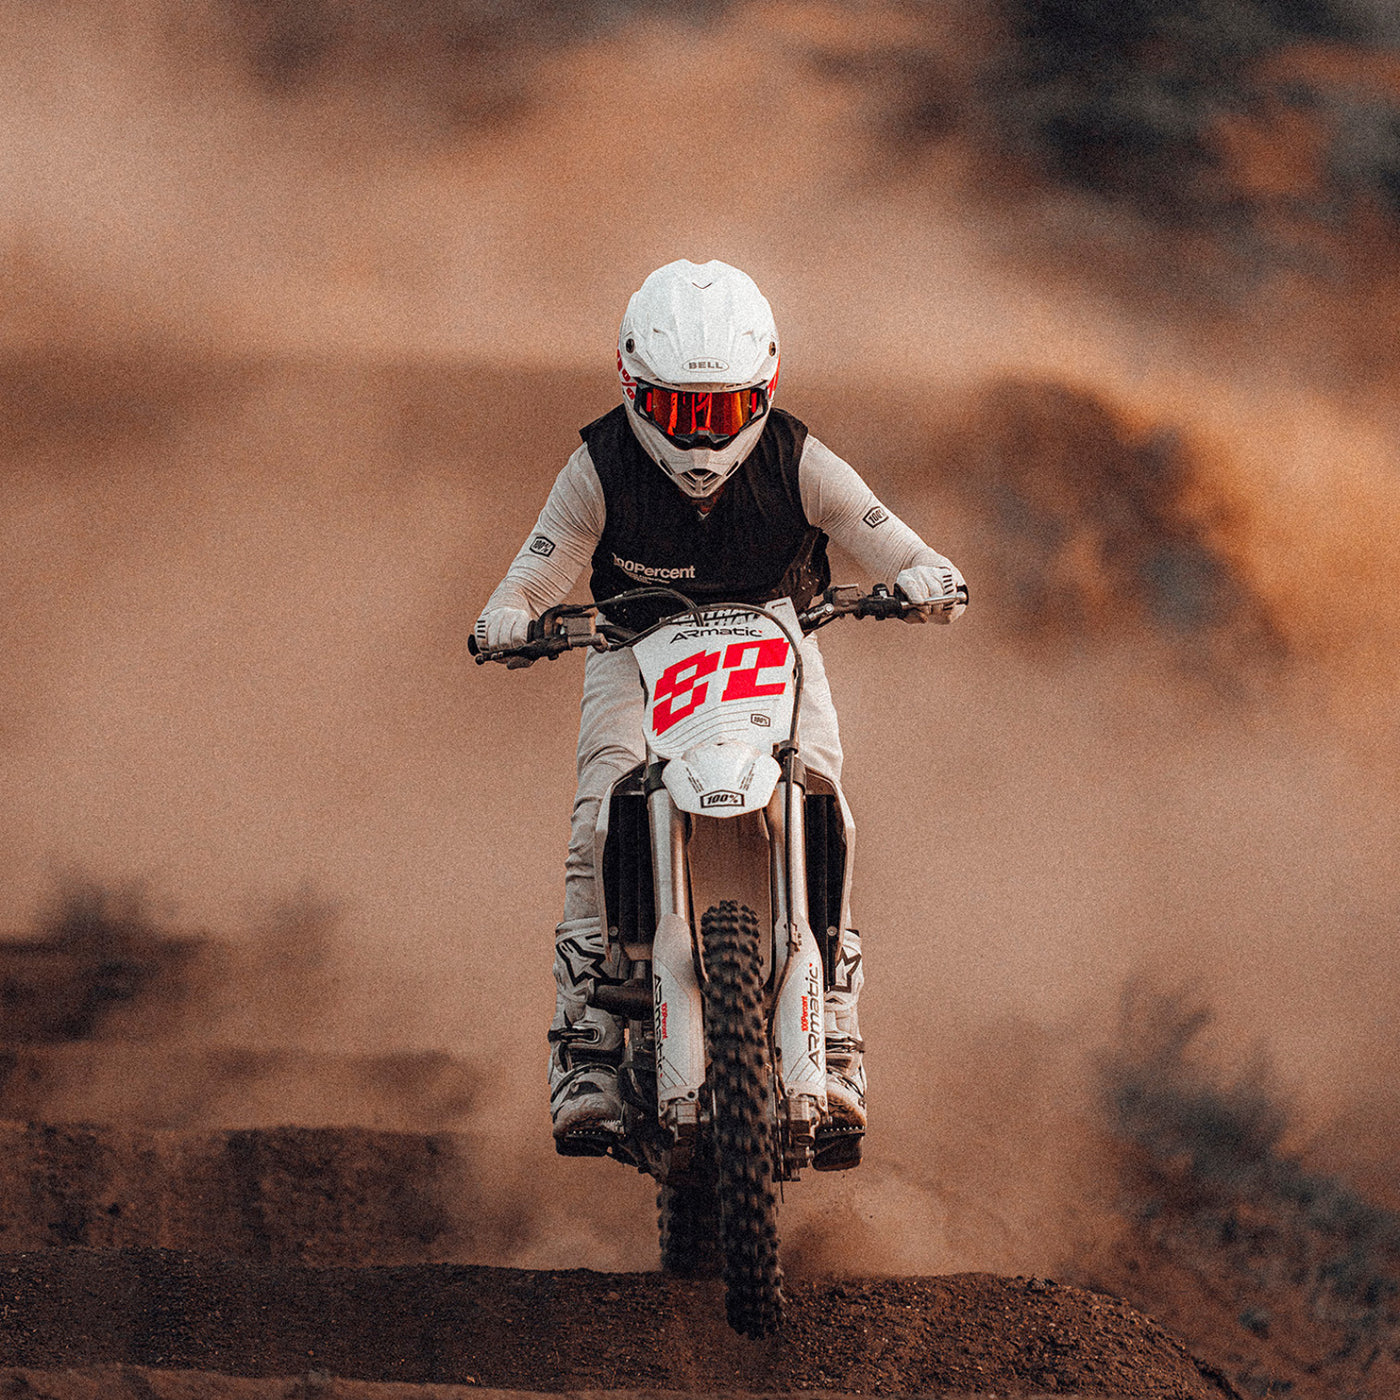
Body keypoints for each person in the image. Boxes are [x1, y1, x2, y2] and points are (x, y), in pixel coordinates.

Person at [474, 258, 966, 1158]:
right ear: (634, 389)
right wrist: (509, 615)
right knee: (598, 818)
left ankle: (840, 1030)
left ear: (763, 391)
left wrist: (924, 579)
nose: (701, 439)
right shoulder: (600, 465)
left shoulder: (799, 458)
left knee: (823, 803)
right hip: (633, 650)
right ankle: (584, 1045)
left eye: (722, 411)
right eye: (679, 411)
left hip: (780, 641)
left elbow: (883, 535)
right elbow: (541, 564)